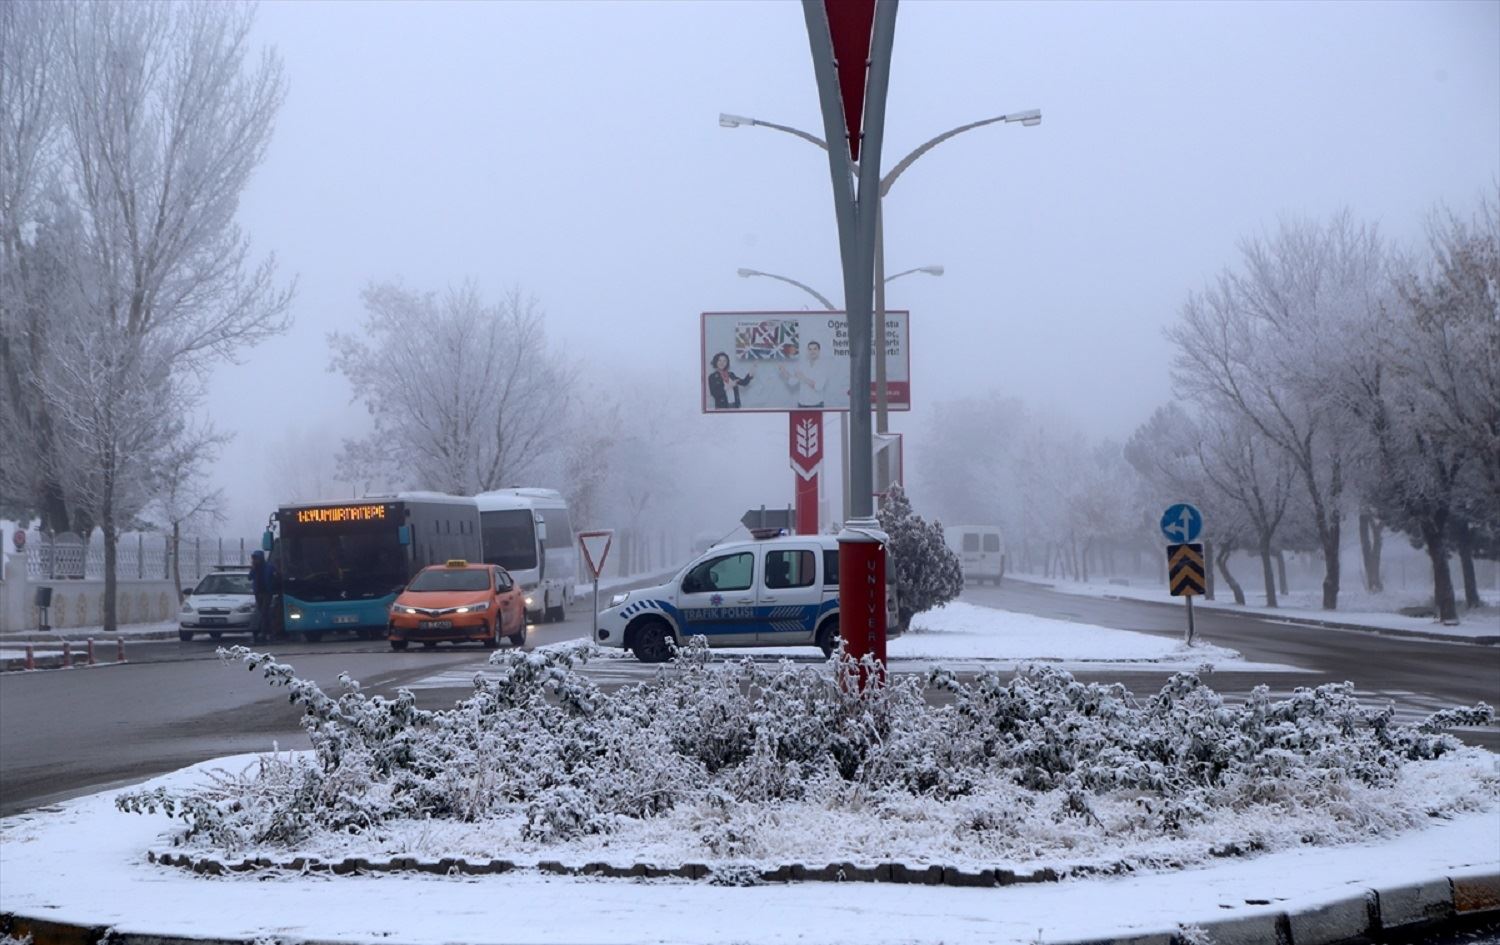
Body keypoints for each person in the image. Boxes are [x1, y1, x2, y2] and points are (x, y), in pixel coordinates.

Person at [249, 550, 275, 643]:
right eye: (254, 558)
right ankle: (269, 631)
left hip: (267, 592)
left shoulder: (269, 567)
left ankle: (265, 632)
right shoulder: (255, 568)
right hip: (258, 592)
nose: (255, 560)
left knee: (264, 611)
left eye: (256, 558)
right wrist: (253, 568)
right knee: (263, 612)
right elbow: (250, 577)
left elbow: (274, 576)